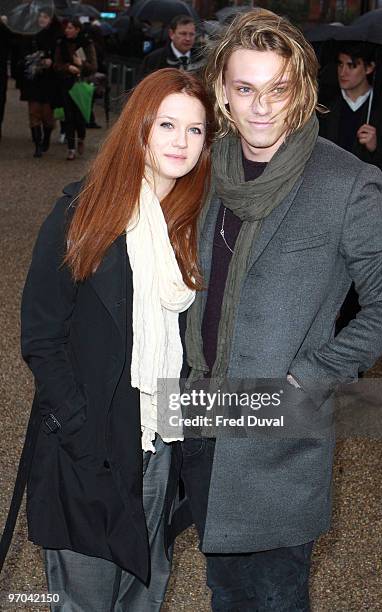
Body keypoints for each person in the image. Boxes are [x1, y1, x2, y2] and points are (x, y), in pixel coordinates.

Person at [180, 10, 382, 611]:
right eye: (246, 89)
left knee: (278, 596)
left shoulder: (344, 183)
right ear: (223, 93)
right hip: (202, 415)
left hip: (282, 421)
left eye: (277, 89)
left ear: (302, 90)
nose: (261, 107)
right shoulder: (197, 171)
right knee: (224, 590)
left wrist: (312, 377)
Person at [10, 68, 213, 611]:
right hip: (93, 446)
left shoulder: (194, 224)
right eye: (167, 124)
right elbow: (42, 334)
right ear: (139, 128)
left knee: (143, 594)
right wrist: (77, 426)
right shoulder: (84, 213)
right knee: (86, 598)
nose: (181, 141)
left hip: (163, 440)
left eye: (196, 130)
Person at [319, 41, 382, 261]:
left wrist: (377, 147)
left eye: (352, 65)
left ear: (369, 68)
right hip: (334, 216)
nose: (343, 72)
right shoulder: (325, 109)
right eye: (340, 65)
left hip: (379, 215)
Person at [18, 9, 62, 157]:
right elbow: (22, 55)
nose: (42, 19)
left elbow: (61, 58)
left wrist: (52, 62)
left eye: (45, 17)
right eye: (40, 17)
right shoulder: (30, 36)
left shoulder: (56, 37)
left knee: (48, 116)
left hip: (50, 82)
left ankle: (46, 138)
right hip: (34, 81)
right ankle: (37, 144)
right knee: (34, 113)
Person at [54, 18, 97, 160]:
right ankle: (71, 148)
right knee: (68, 116)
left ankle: (81, 138)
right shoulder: (61, 43)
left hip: (81, 85)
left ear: (77, 29)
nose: (67, 30)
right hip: (66, 84)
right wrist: (67, 67)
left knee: (79, 117)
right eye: (66, 28)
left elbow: (93, 66)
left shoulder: (86, 43)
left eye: (70, 28)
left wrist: (81, 64)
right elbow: (57, 64)